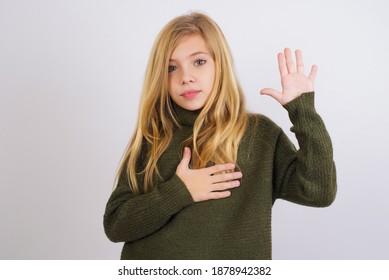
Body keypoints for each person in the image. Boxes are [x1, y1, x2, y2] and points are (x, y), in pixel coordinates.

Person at [103, 12, 337, 260]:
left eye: (199, 62)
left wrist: (303, 111)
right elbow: (116, 225)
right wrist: (180, 191)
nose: (186, 77)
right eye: (171, 67)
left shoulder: (259, 135)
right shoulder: (153, 138)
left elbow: (319, 192)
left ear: (220, 65)